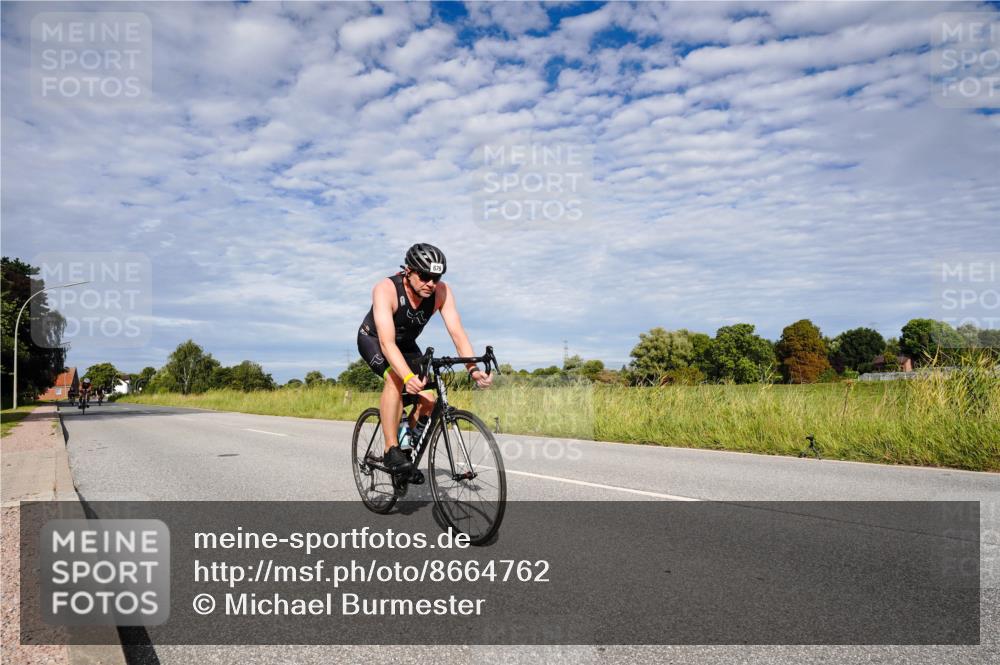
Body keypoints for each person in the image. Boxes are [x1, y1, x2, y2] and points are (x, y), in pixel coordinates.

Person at [357, 243, 493, 479]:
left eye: (436, 277)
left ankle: (406, 446)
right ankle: (392, 450)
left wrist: (473, 369)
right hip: (375, 339)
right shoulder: (386, 289)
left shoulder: (441, 292)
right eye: (425, 276)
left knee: (428, 400)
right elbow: (388, 344)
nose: (431, 283)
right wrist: (407, 376)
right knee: (395, 379)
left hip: (407, 345)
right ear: (408, 271)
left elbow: (457, 332)